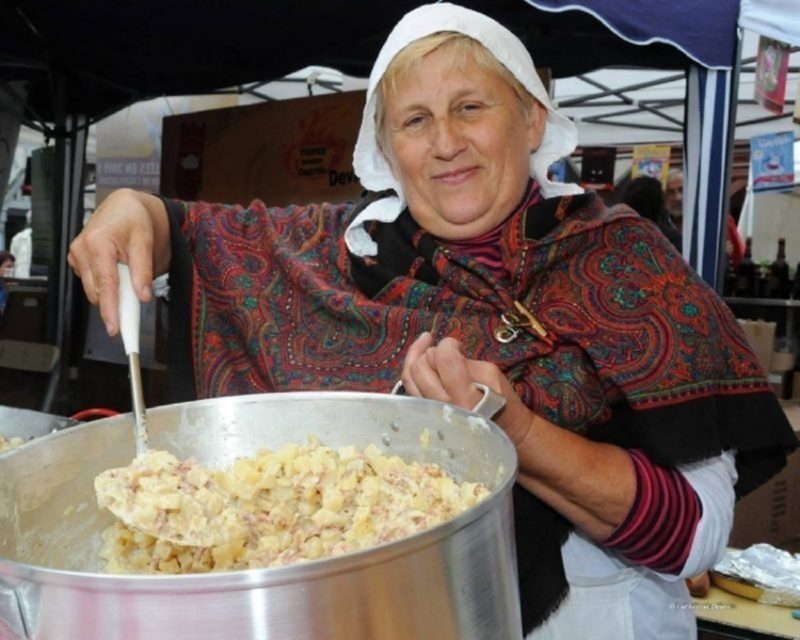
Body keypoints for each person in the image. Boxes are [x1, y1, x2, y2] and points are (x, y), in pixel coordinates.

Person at [68, 5, 797, 638]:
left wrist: (513, 430)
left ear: (532, 118)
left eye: (470, 107)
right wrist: (130, 210)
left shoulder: (622, 260)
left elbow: (696, 535)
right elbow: (190, 231)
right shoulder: (339, 250)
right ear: (387, 149)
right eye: (415, 120)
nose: (445, 142)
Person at [621, 175, 683, 251]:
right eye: (670, 192)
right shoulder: (670, 238)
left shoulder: (617, 237)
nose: (678, 198)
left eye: (682, 190)